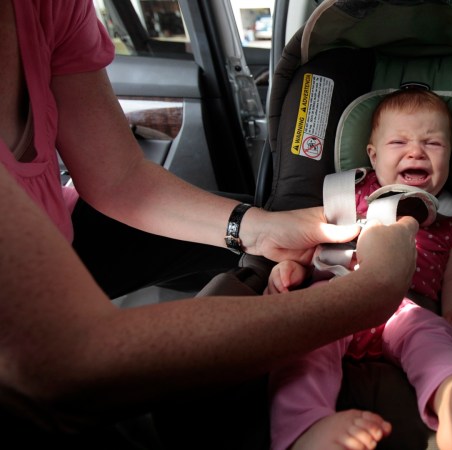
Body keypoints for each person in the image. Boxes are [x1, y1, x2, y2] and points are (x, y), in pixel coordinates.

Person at [0, 0, 419, 442]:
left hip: (55, 224)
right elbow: (68, 359)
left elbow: (120, 179)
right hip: (30, 370)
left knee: (255, 233)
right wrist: (372, 292)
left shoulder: (51, 8)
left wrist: (255, 227)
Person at [267, 89, 452, 450]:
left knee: (435, 341)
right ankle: (305, 426)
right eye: (399, 141)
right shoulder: (352, 196)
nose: (416, 151)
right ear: (373, 156)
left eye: (433, 143)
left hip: (408, 312)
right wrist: (290, 267)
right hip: (337, 295)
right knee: (305, 340)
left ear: (451, 156)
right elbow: (309, 242)